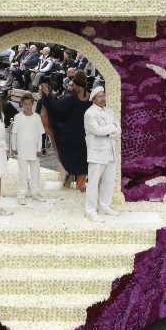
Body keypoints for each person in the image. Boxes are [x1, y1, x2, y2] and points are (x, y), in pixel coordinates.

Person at [39, 77, 90, 190]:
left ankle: (71, 185)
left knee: (73, 159)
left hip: (74, 135)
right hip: (86, 136)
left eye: (74, 85)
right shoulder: (91, 99)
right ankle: (79, 185)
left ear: (79, 86)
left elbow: (56, 107)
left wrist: (48, 96)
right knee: (83, 160)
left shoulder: (72, 99)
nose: (72, 88)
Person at [82, 84, 119, 222]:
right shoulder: (89, 113)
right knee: (93, 183)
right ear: (94, 98)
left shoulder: (109, 111)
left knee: (109, 181)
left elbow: (118, 129)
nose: (103, 98)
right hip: (97, 154)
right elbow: (97, 131)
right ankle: (90, 210)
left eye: (104, 95)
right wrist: (111, 129)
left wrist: (110, 131)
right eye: (100, 96)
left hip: (110, 151)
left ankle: (105, 205)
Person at [9, 93, 45, 206]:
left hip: (34, 150)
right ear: (21, 105)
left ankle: (35, 193)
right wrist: (14, 147)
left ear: (32, 104)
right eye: (25, 104)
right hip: (22, 149)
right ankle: (21, 195)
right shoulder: (18, 117)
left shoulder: (37, 117)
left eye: (29, 104)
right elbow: (14, 133)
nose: (27, 106)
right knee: (22, 174)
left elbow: (40, 134)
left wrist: (39, 148)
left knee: (35, 173)